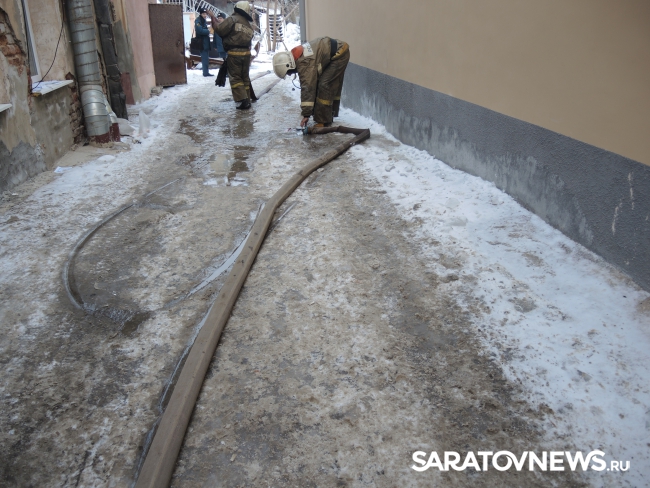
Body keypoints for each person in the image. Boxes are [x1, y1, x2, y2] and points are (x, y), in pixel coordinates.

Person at [272, 37, 350, 127]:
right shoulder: (296, 56)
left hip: (340, 54)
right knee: (320, 82)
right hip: (336, 50)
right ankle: (327, 115)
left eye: (288, 72)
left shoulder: (304, 63)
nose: (289, 75)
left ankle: (323, 121)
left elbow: (308, 88)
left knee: (324, 85)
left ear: (289, 65)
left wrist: (306, 114)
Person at [214, 1, 254, 110]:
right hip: (246, 54)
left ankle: (243, 101)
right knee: (244, 77)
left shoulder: (232, 19)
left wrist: (214, 21)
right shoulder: (248, 24)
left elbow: (220, 30)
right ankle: (247, 99)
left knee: (236, 78)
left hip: (234, 53)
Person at [194, 8, 213, 77]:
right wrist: (208, 31)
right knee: (204, 58)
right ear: (200, 14)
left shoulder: (202, 20)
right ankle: (205, 72)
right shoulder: (198, 21)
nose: (205, 15)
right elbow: (200, 30)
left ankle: (206, 72)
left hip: (205, 42)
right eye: (203, 14)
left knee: (206, 58)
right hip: (202, 43)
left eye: (205, 14)